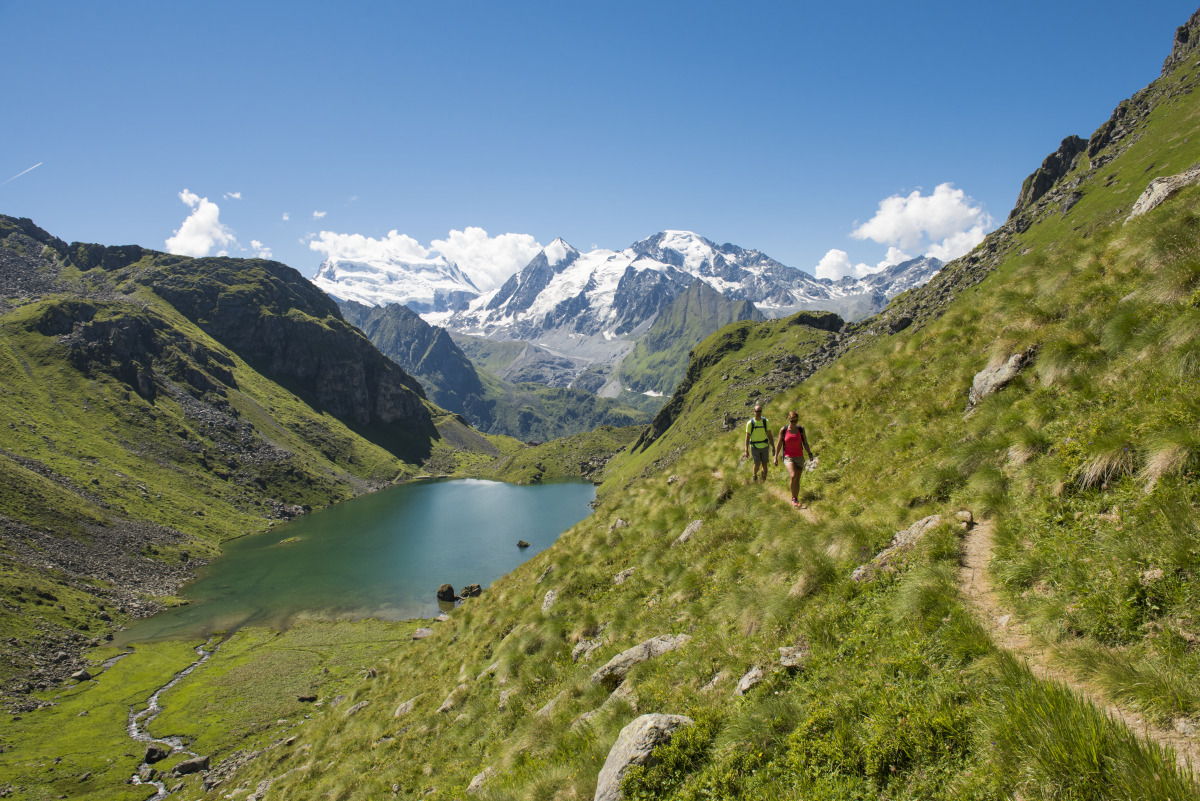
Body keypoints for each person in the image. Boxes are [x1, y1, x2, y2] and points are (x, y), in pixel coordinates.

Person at [774, 411, 815, 507]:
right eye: (792, 421)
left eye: (796, 421)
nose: (794, 423)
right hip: (788, 457)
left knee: (797, 479)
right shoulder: (783, 430)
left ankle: (796, 498)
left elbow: (805, 442)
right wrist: (775, 457)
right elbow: (779, 444)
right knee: (793, 475)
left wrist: (809, 453)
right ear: (789, 419)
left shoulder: (801, 429)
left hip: (799, 457)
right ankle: (793, 498)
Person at [744, 404, 774, 482]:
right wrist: (746, 450)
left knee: (764, 464)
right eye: (757, 411)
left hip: (764, 446)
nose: (759, 413)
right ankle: (755, 475)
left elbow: (769, 434)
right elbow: (747, 437)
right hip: (754, 447)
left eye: (760, 411)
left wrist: (773, 447)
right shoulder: (750, 423)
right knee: (757, 464)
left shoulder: (765, 421)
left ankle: (763, 481)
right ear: (754, 411)